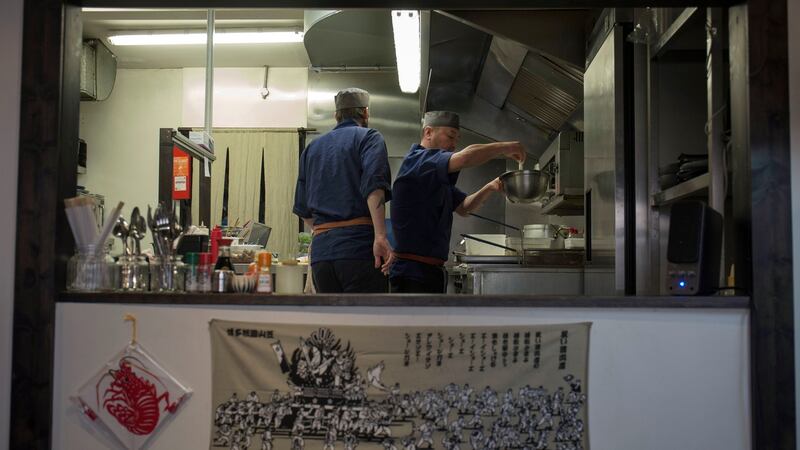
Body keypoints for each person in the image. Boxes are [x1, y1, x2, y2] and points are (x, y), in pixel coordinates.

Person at [390, 111, 526, 293]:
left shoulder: (434, 177)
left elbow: (464, 207)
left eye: (457, 139)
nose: (454, 145)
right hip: (412, 273)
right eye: (450, 136)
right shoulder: (419, 162)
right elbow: (465, 157)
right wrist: (505, 147)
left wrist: (491, 186)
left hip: (431, 271)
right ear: (428, 132)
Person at [293, 88, 394, 293]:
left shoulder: (312, 147)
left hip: (321, 256)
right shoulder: (370, 137)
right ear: (365, 112)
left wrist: (328, 232)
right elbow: (374, 186)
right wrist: (380, 237)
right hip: (358, 250)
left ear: (336, 115)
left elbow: (303, 209)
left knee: (330, 323)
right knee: (363, 321)